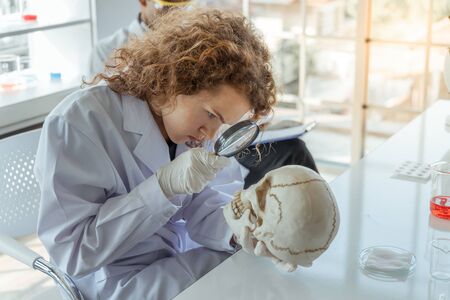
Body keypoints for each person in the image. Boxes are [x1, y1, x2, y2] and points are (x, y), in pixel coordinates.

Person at [35, 8, 276, 300]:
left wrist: (242, 230)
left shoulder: (194, 129)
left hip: (171, 259)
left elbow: (203, 205)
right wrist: (162, 188)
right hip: (110, 280)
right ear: (177, 80)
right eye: (211, 115)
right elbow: (73, 253)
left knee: (256, 273)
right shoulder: (78, 122)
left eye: (222, 123)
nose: (211, 135)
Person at [88, 0, 319, 189]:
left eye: (182, 5)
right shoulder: (110, 53)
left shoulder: (199, 41)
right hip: (165, 146)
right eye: (167, 6)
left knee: (294, 151)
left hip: (207, 140)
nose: (175, 13)